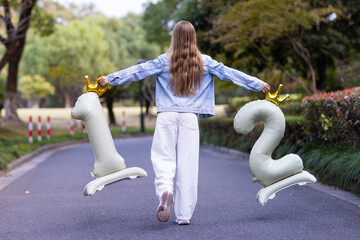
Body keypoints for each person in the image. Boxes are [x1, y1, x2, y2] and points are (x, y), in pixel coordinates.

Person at [97, 20, 271, 225]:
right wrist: (258, 84)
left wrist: (111, 78)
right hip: (190, 117)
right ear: (193, 38)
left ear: (174, 38)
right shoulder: (205, 62)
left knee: (163, 157)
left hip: (166, 116)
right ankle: (184, 215)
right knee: (188, 165)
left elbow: (138, 71)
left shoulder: (164, 61)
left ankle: (165, 189)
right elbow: (231, 73)